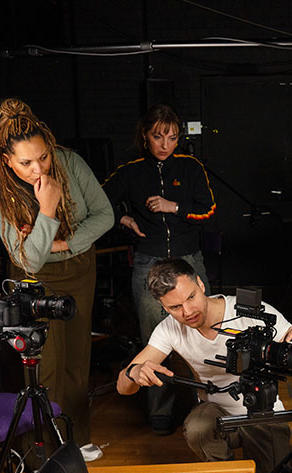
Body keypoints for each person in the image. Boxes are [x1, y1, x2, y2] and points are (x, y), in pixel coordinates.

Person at [116, 258, 292, 473]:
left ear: (200, 283)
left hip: (262, 412)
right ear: (163, 307)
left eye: (191, 297)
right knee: (197, 426)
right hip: (217, 412)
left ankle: (255, 466)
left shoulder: (251, 313)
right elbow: (122, 387)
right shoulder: (169, 328)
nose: (188, 311)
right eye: (175, 307)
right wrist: (134, 373)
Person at [0, 98, 113, 462]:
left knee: (76, 360)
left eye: (43, 157)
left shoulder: (70, 162)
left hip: (79, 271)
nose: (38, 168)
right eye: (26, 162)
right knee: (45, 363)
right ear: (7, 160)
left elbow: (105, 216)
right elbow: (30, 259)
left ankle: (76, 436)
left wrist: (65, 242)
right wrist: (48, 208)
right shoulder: (1, 192)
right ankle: (40, 446)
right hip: (33, 282)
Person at [103, 104, 216, 436]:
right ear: (145, 136)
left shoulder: (191, 167)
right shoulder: (131, 171)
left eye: (172, 137)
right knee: (153, 339)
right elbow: (96, 202)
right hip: (149, 261)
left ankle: (208, 405)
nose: (165, 144)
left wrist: (173, 207)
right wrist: (122, 219)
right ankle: (161, 410)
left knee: (206, 331)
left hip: (189, 259)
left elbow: (208, 208)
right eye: (158, 136)